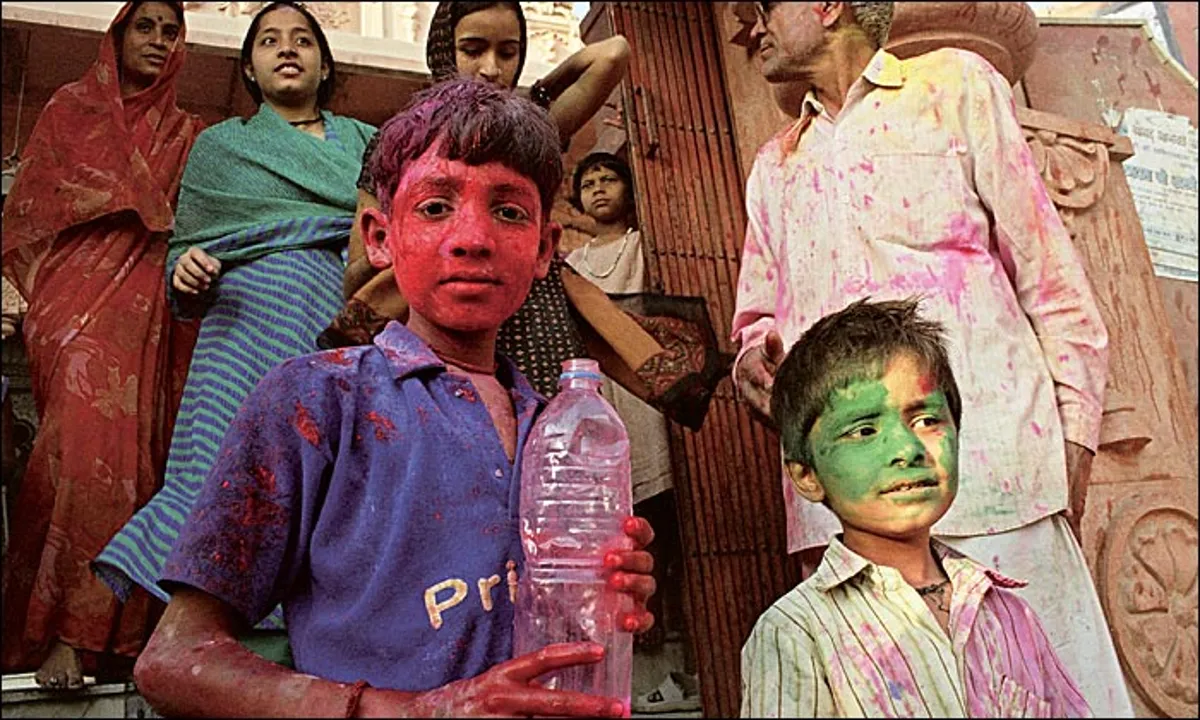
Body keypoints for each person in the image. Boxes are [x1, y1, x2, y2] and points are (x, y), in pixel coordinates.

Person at [131, 77, 656, 719]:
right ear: (379, 236)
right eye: (435, 207)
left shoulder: (555, 427)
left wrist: (600, 596)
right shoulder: (316, 400)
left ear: (545, 248)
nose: (473, 237)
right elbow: (174, 661)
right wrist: (410, 711)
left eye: (510, 211)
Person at [730, 2, 1130, 715]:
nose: (743, 27)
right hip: (844, 515)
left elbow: (1052, 281)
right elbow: (755, 324)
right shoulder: (774, 166)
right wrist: (755, 368)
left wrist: (1068, 452)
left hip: (997, 484)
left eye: (756, 6)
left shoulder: (956, 86)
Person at [93, 1, 375, 642]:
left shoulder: (366, 142)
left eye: (303, 40)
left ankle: (314, 630)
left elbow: (388, 235)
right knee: (224, 472)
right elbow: (182, 254)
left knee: (329, 475)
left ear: (324, 63)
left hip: (338, 325)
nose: (287, 49)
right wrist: (185, 270)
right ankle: (203, 641)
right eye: (269, 40)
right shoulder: (221, 147)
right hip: (241, 334)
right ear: (248, 68)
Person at [321, 1, 727, 429]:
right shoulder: (402, 141)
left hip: (538, 317)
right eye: (472, 50)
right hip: (440, 321)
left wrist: (537, 96)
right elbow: (358, 276)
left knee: (549, 442)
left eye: (508, 52)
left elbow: (613, 52)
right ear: (443, 51)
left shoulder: (533, 128)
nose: (492, 69)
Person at [741, 297, 1091, 718]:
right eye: (865, 430)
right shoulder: (796, 633)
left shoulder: (1009, 613)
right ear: (806, 475)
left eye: (926, 421)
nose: (907, 450)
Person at [0, 1, 202, 689]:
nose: (158, 39)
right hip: (74, 305)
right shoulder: (69, 107)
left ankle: (107, 639)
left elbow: (198, 223)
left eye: (170, 30)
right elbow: (30, 206)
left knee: (136, 465)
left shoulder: (187, 133)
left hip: (150, 310)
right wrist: (126, 195)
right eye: (144, 26)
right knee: (79, 450)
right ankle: (53, 632)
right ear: (117, 36)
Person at [565, 152, 700, 713]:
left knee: (664, 543)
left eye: (608, 178)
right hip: (601, 404)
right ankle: (635, 677)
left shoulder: (650, 246)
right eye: (588, 182)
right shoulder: (569, 262)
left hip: (648, 409)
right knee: (614, 550)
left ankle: (682, 670)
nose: (598, 189)